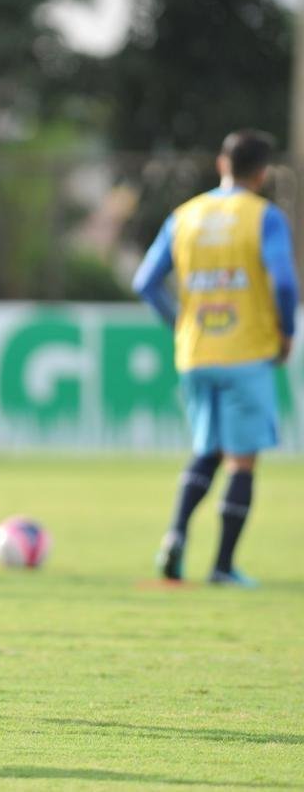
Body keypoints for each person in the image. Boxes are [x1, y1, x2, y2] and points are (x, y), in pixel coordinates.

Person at [133, 129, 298, 587]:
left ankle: (174, 538)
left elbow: (145, 281)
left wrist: (180, 321)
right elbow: (284, 284)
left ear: (221, 164)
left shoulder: (185, 216)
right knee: (241, 460)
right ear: (262, 174)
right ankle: (223, 567)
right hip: (246, 351)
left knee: (208, 449)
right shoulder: (263, 217)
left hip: (196, 352)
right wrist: (286, 332)